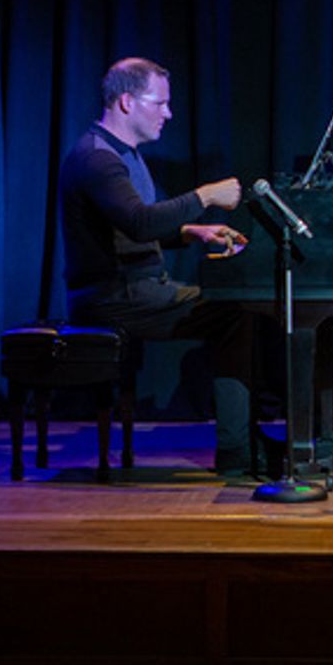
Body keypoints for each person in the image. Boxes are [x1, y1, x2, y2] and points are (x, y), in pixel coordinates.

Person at [59, 56, 273, 478]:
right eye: (159, 103)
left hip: (134, 289)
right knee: (235, 312)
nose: (169, 113)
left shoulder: (122, 154)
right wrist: (205, 196)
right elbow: (141, 223)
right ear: (126, 102)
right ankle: (238, 450)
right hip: (114, 296)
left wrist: (192, 232)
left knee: (237, 309)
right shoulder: (98, 159)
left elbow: (132, 228)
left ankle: (245, 440)